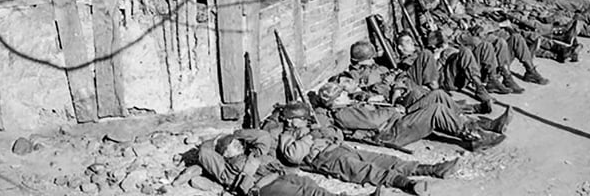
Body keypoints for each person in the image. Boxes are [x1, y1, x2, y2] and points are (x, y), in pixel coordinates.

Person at [275, 102, 449, 196]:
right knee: (366, 170)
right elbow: (294, 156)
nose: (306, 121)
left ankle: (430, 169)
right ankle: (408, 184)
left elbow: (338, 134)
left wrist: (328, 133)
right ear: (290, 120)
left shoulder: (310, 127)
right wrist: (311, 137)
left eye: (306, 118)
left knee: (382, 159)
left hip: (340, 147)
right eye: (302, 119)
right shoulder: (287, 136)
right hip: (325, 158)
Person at [310, 80, 508, 151]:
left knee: (436, 94)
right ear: (335, 101)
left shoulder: (348, 105)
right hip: (391, 132)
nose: (345, 94)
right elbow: (373, 120)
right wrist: (394, 110)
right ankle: (476, 137)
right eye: (341, 94)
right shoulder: (343, 114)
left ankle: (482, 125)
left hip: (395, 121)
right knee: (435, 109)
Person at [197, 127, 366, 196]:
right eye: (233, 145)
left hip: (281, 175)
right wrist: (214, 140)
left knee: (310, 185)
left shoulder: (255, 153)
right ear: (225, 153)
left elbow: (262, 136)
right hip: (264, 187)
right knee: (307, 194)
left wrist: (236, 133)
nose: (239, 144)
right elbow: (204, 152)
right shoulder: (227, 169)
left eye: (237, 142)